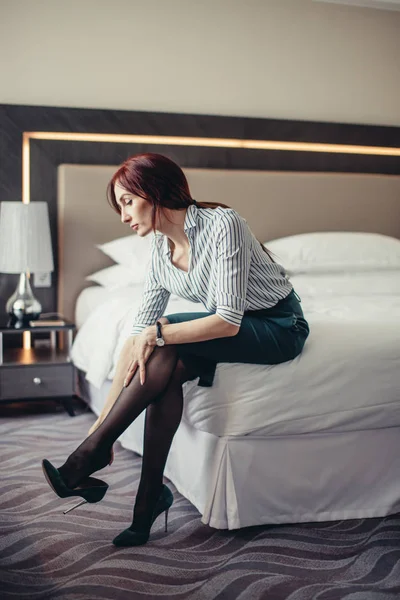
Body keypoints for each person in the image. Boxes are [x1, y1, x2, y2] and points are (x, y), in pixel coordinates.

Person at [42, 153, 310, 547]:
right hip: (233, 325)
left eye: (127, 202)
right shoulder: (158, 253)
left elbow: (227, 320)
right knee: (162, 359)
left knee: (164, 338)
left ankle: (91, 461)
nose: (123, 216)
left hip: (279, 326)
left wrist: (160, 333)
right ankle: (142, 497)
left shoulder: (223, 224)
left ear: (152, 192)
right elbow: (136, 341)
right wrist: (101, 423)